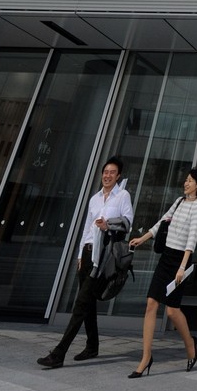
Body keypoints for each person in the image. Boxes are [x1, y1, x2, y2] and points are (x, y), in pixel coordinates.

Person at [37, 156, 133, 369]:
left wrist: (108, 225)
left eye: (112, 172)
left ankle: (59, 354)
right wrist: (80, 255)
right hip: (88, 254)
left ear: (118, 176)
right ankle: (92, 346)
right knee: (87, 302)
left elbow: (128, 223)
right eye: (105, 172)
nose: (107, 175)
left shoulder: (122, 196)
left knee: (81, 303)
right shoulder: (94, 199)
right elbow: (87, 229)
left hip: (104, 255)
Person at [127, 168, 197, 376]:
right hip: (166, 258)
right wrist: (142, 239)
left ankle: (190, 345)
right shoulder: (178, 201)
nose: (186, 183)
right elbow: (161, 223)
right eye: (186, 180)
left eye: (190, 181)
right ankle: (146, 357)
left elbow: (192, 238)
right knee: (151, 303)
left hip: (180, 261)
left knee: (172, 311)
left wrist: (182, 267)